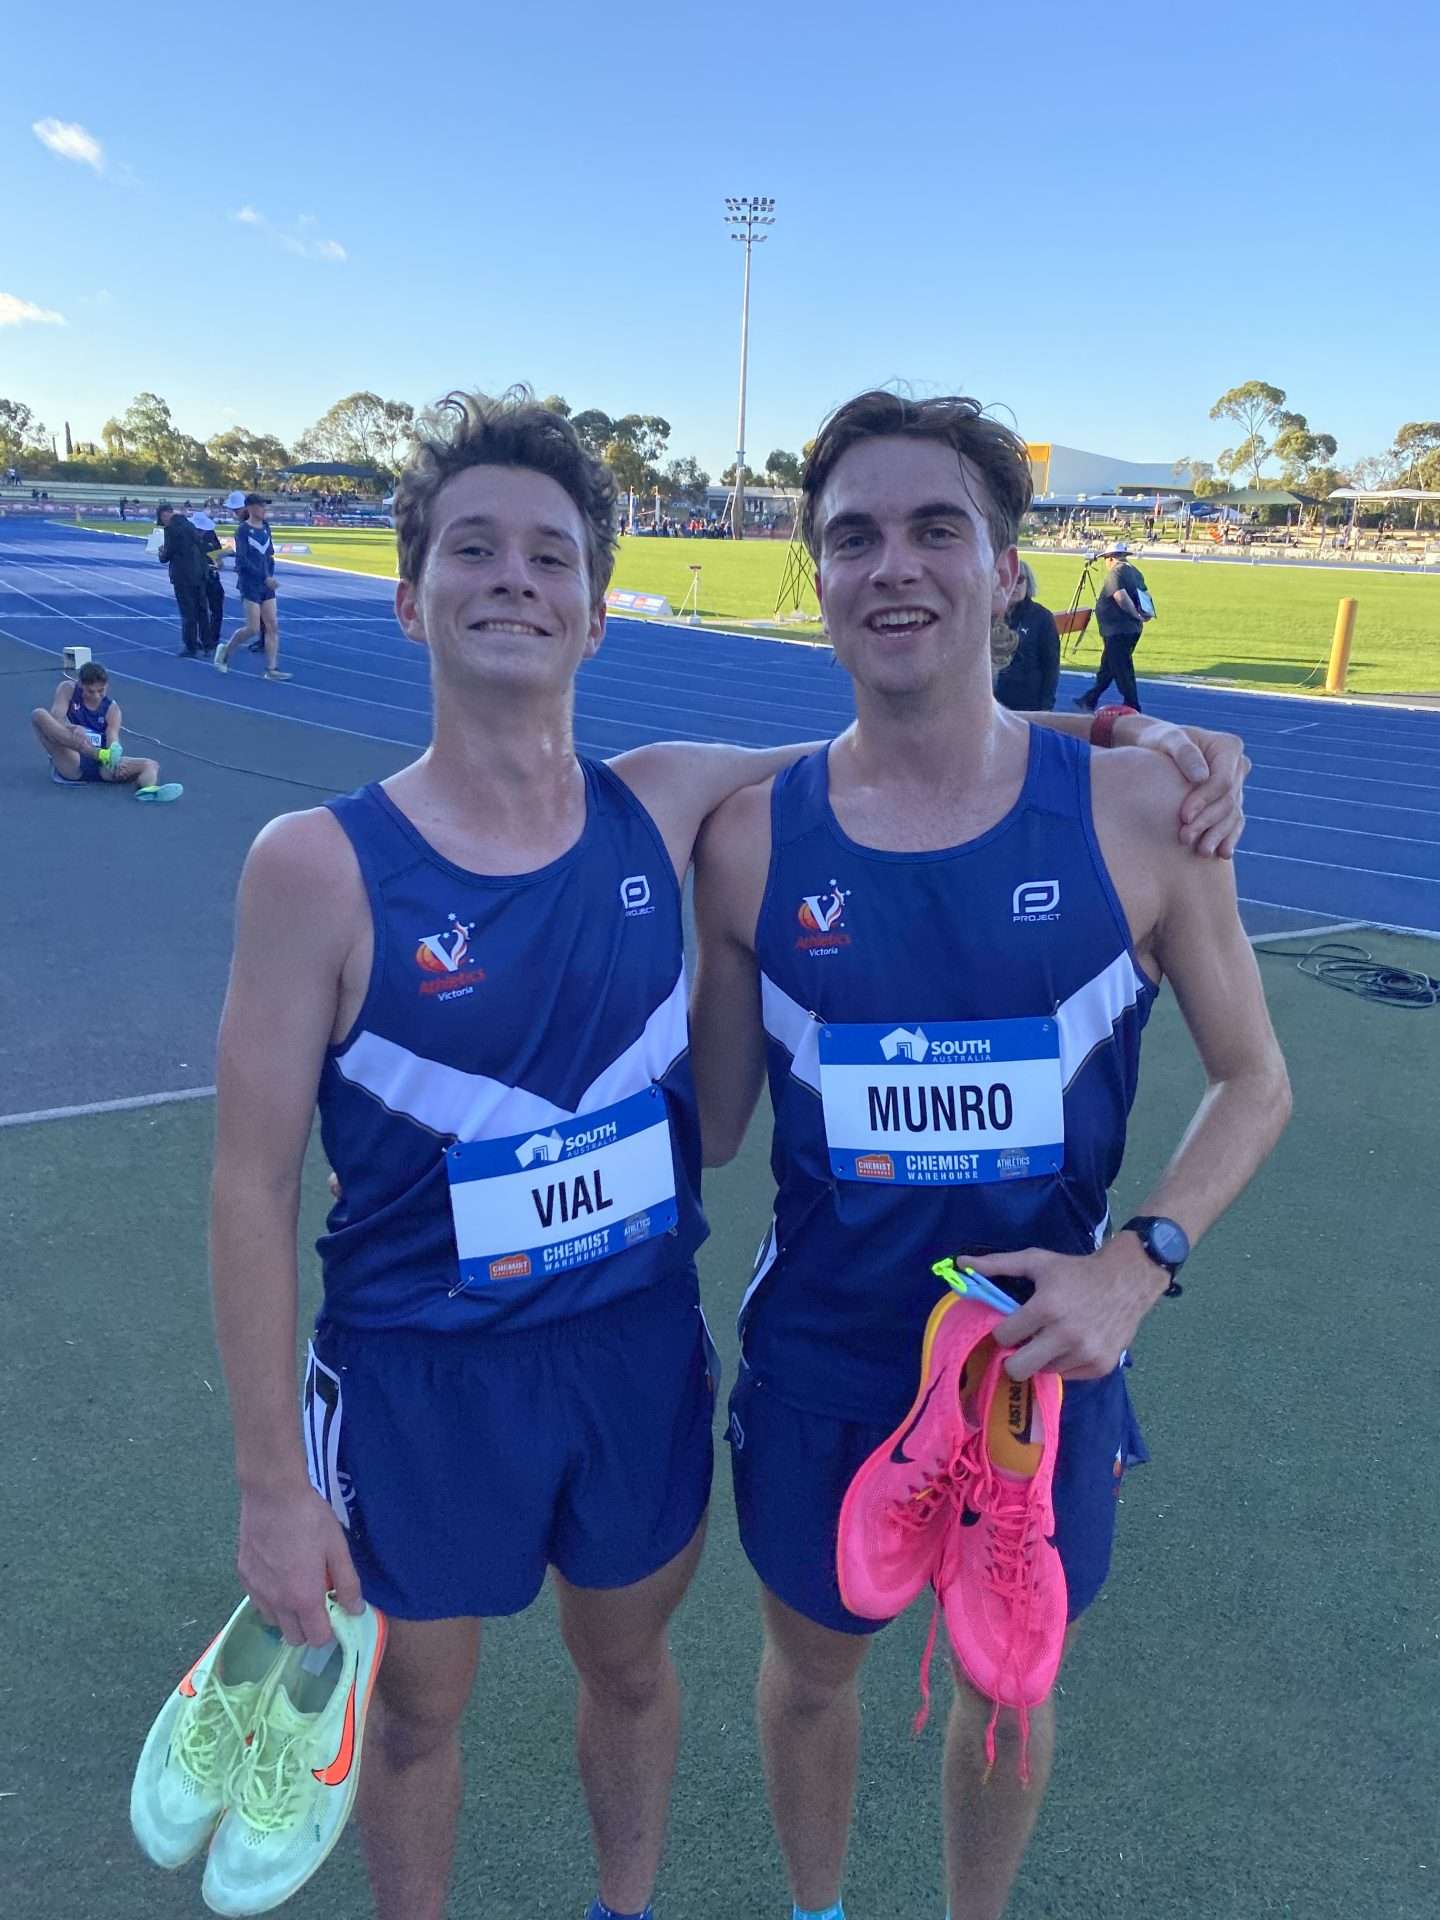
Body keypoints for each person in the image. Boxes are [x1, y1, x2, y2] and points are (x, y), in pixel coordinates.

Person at [210, 390, 1251, 1920]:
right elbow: (254, 1182)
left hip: (669, 1359)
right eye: (473, 549)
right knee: (426, 1708)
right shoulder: (341, 859)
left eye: (552, 555)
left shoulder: (668, 798)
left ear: (597, 611)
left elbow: (911, 735)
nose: (514, 579)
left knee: (670, 1675)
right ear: (407, 595)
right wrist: (267, 1484)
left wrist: (1126, 731)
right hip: (448, 1365)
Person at [688, 391, 1290, 1920]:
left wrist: (1137, 1268)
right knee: (810, 1672)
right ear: (818, 576)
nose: (895, 564)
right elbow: (715, 1124)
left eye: (936, 529)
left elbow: (1256, 1082)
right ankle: (818, 1912)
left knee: (1008, 1690)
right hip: (824, 1357)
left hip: (1043, 1361)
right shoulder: (748, 842)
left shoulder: (1144, 812)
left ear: (1010, 570)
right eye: (854, 537)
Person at [31, 659, 182, 801]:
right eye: (90, 691)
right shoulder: (67, 689)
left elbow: (112, 736)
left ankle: (148, 791)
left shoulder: (112, 709)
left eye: (101, 690)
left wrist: (115, 755)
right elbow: (56, 718)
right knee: (39, 715)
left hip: (102, 765)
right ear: (80, 684)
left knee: (151, 765)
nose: (96, 696)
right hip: (72, 760)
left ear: (107, 685)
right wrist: (73, 727)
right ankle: (99, 754)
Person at [215, 494, 291, 680]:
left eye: (264, 506)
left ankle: (271, 669)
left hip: (266, 584)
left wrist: (269, 575)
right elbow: (242, 561)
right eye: (260, 506)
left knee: (272, 626)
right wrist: (264, 578)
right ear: (249, 508)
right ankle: (225, 651)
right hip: (250, 584)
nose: (264, 509)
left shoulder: (266, 527)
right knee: (253, 628)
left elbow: (269, 555)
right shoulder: (242, 531)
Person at [1074, 542, 1151, 713]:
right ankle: (1089, 699)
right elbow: (1145, 595)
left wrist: (1135, 614)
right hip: (1128, 629)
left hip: (1118, 630)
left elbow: (1120, 596)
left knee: (1122, 669)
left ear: (1110, 558)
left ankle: (1132, 705)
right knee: (1108, 667)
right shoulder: (1135, 572)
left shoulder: (1116, 572)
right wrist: (1146, 613)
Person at [993, 559, 1060, 712]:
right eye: (1008, 578)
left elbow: (1051, 666)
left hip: (1027, 704)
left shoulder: (1042, 617)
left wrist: (1046, 706)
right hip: (991, 702)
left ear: (1028, 583)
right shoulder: (988, 613)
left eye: (1019, 579)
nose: (1013, 584)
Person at [156, 504, 213, 658]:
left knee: (188, 612)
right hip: (199, 573)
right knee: (202, 610)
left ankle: (191, 646)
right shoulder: (189, 525)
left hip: (183, 575)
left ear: (165, 515)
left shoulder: (172, 530)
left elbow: (167, 554)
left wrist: (161, 553)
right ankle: (207, 644)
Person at [190, 505, 226, 651]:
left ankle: (213, 638)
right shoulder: (187, 537)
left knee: (217, 608)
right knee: (198, 609)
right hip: (195, 577)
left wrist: (218, 562)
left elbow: (218, 554)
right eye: (199, 530)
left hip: (212, 576)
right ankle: (200, 638)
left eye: (203, 530)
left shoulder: (211, 534)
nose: (201, 532)